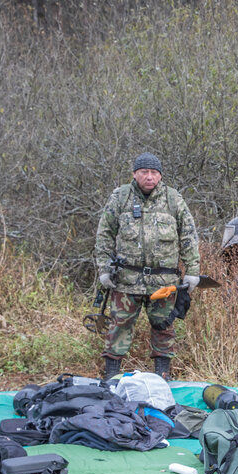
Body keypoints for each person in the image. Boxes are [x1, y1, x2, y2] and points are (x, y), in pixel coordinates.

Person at [94, 152, 200, 381]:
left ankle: (162, 376)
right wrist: (103, 269)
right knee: (118, 326)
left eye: (154, 173)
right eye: (144, 172)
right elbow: (104, 234)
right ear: (135, 174)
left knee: (163, 327)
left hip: (163, 283)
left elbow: (189, 235)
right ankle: (111, 376)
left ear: (160, 176)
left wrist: (192, 271)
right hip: (126, 279)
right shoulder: (120, 198)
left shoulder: (173, 199)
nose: (149, 177)